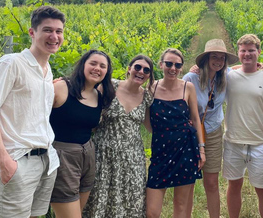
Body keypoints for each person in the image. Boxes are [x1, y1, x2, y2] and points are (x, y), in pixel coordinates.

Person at [0, 6, 65, 218]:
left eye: (59, 31)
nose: (54, 36)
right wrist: (4, 162)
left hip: (45, 159)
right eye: (47, 30)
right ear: (32, 33)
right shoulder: (10, 64)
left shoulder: (45, 70)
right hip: (17, 160)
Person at [85, 54, 155, 218]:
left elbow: (151, 127)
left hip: (133, 158)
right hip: (104, 155)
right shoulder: (109, 86)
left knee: (131, 199)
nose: (141, 71)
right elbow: (86, 98)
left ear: (149, 75)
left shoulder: (146, 97)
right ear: (129, 68)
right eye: (137, 67)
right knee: (99, 199)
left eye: (146, 70)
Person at [49, 50, 115, 217]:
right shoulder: (61, 87)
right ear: (83, 65)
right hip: (62, 155)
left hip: (88, 155)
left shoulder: (99, 95)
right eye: (93, 63)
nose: (97, 69)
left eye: (102, 66)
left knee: (78, 212)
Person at [224, 34, 263, 218]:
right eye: (243, 51)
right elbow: (209, 70)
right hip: (233, 141)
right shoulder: (229, 76)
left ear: (259, 52)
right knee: (234, 185)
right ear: (238, 52)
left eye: (251, 50)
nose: (247, 54)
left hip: (260, 142)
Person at [146, 48, 206, 218]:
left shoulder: (188, 87)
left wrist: (201, 150)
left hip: (185, 149)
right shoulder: (151, 87)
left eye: (177, 65)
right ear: (161, 65)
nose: (173, 68)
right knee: (152, 212)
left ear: (181, 68)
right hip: (160, 151)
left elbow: (195, 119)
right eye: (169, 64)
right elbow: (146, 120)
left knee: (181, 206)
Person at [182, 39, 238, 218]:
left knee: (212, 182)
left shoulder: (225, 76)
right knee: (189, 182)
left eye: (222, 58)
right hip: (191, 134)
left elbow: (240, 70)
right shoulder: (191, 78)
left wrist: (259, 66)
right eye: (214, 56)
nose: (219, 61)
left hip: (213, 132)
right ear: (205, 59)